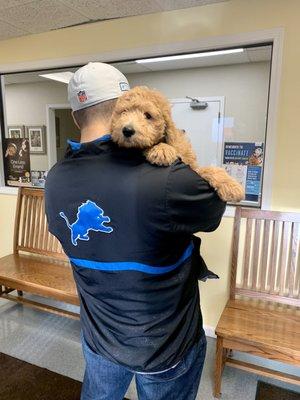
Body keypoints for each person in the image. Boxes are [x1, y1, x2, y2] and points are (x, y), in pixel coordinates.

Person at [45, 62, 226, 400]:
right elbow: (213, 210)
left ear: (75, 117)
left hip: (100, 339)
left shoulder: (55, 179)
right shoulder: (167, 178)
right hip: (164, 349)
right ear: (124, 108)